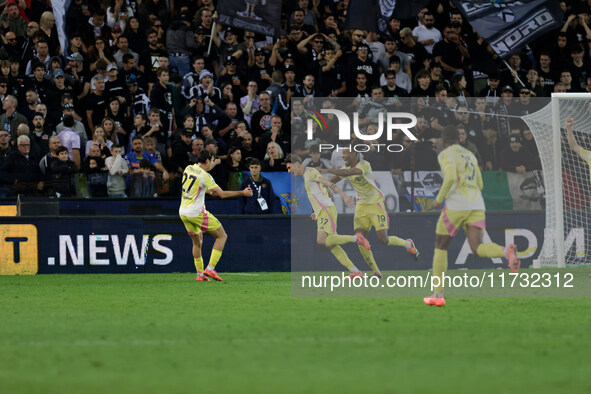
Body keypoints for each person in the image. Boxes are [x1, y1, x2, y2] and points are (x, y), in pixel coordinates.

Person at [425, 126, 520, 307]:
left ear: (444, 140)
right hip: (476, 203)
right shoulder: (470, 155)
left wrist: (439, 199)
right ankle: (506, 251)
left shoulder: (445, 154)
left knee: (440, 246)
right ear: (458, 139)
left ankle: (438, 294)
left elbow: (451, 176)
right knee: (477, 247)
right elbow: (480, 183)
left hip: (456, 205)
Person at [320, 148, 420, 278]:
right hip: (361, 206)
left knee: (383, 239)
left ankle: (408, 244)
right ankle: (376, 271)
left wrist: (326, 170)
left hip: (375, 204)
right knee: (360, 238)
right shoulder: (344, 168)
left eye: (346, 153)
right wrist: (321, 185)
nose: (343, 156)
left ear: (354, 154)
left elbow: (348, 172)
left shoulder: (364, 165)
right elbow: (332, 180)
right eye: (342, 153)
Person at [286, 154, 371, 277]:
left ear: (297, 165)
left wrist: (344, 196)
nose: (289, 171)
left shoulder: (310, 172)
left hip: (326, 210)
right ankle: (355, 271)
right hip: (322, 211)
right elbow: (326, 193)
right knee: (331, 244)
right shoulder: (307, 176)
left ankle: (357, 238)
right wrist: (316, 210)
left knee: (321, 240)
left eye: (290, 167)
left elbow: (330, 185)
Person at [179, 150, 253, 282]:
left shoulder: (188, 168)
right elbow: (222, 194)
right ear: (207, 161)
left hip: (183, 212)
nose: (213, 164)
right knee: (222, 236)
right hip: (196, 212)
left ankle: (200, 274)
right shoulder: (205, 175)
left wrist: (206, 191)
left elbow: (191, 186)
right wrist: (242, 192)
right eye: (212, 161)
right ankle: (210, 268)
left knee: (197, 242)